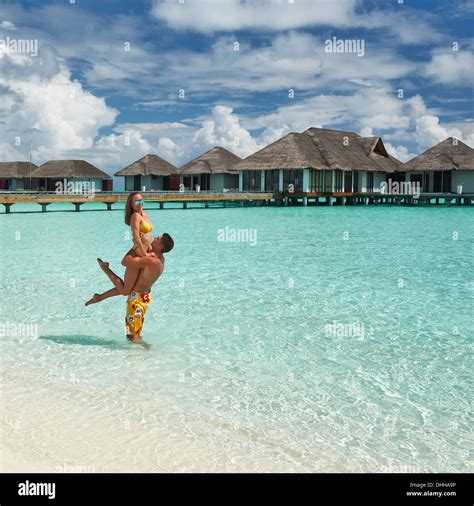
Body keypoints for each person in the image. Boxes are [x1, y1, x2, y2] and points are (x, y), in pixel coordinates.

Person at [85, 234, 174, 346]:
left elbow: (125, 262)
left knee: (132, 337)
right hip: (143, 297)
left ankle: (145, 351)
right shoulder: (160, 259)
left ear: (160, 246)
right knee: (134, 331)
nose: (154, 237)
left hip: (136, 299)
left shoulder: (151, 260)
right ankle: (100, 295)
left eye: (157, 238)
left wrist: (136, 244)